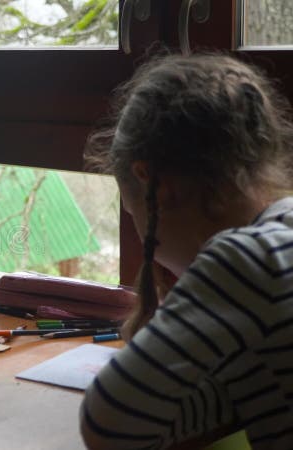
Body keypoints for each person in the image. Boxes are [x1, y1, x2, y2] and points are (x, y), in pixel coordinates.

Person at [80, 53, 293, 449]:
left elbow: (107, 425)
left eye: (133, 213)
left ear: (154, 187)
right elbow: (233, 401)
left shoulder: (248, 260)